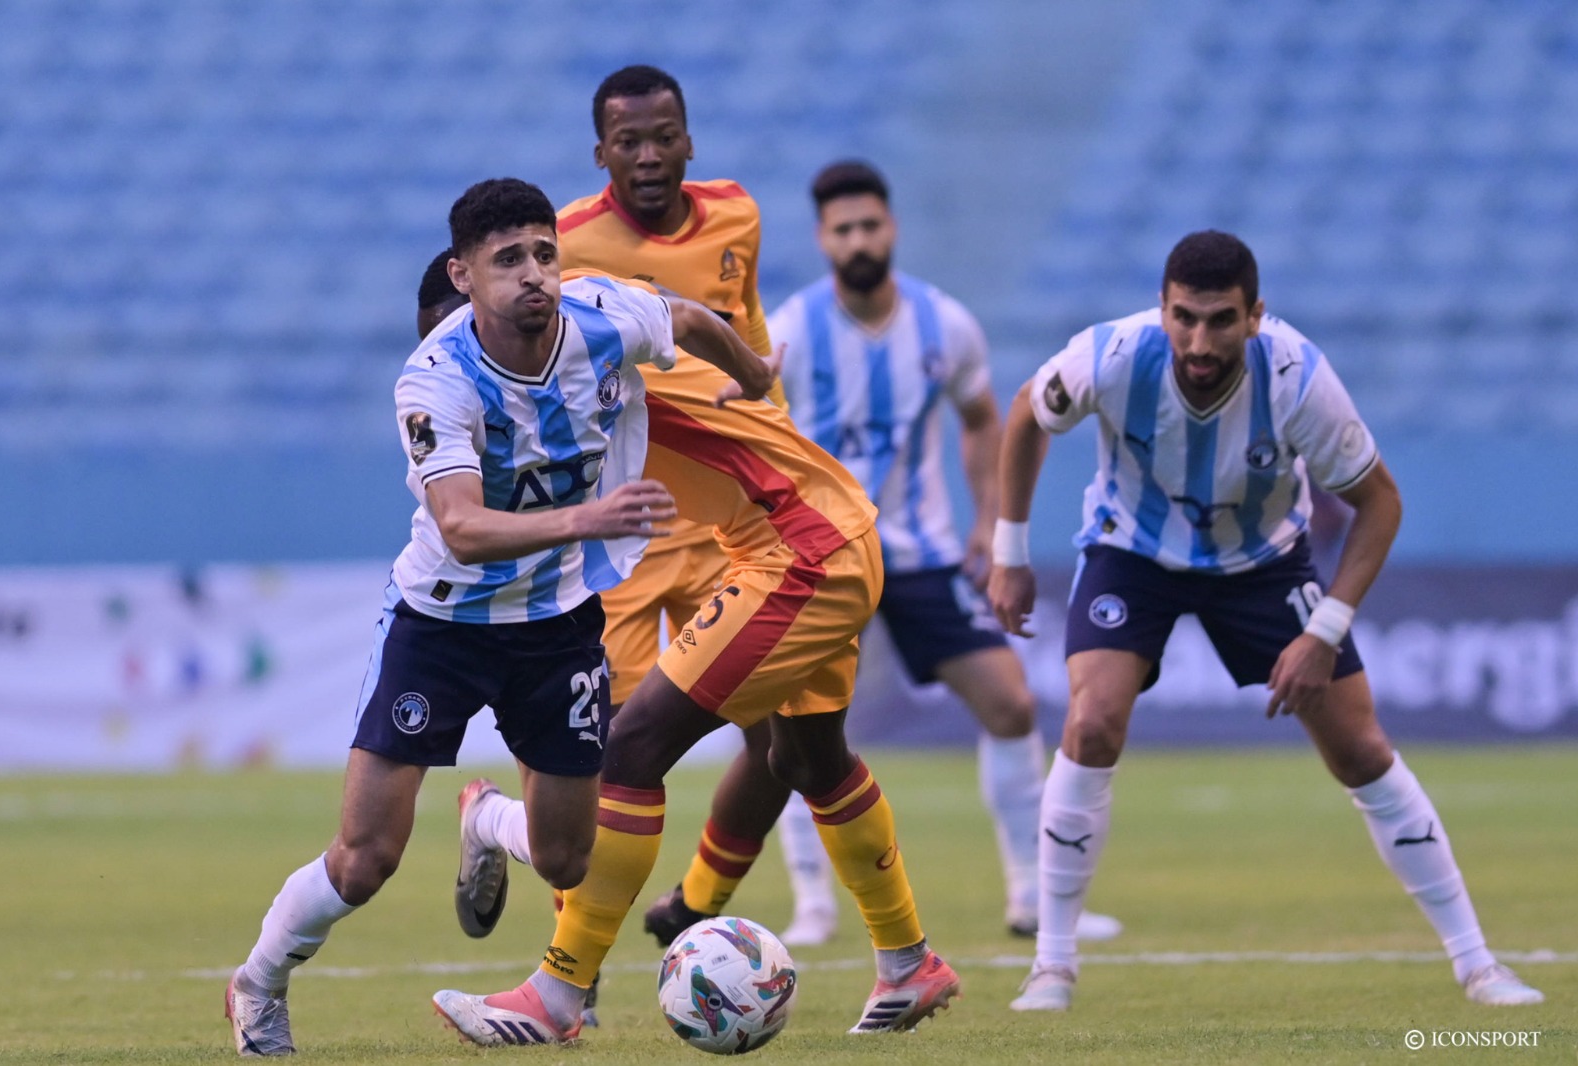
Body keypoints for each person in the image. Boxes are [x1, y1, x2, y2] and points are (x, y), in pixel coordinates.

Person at [223, 177, 777, 1057]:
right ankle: (258, 983)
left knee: (566, 860)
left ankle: (484, 819)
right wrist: (588, 518)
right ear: (465, 274)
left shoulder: (604, 317)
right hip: (440, 625)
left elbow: (691, 320)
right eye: (508, 259)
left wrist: (754, 376)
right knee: (366, 858)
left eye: (544, 254)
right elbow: (463, 527)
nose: (534, 275)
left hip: (557, 622)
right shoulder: (435, 380)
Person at [988, 229, 1544, 1012]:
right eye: (1184, 318)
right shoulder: (1110, 356)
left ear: (1255, 316)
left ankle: (1478, 964)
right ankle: (1052, 965)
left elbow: (1380, 503)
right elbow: (1025, 413)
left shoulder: (1298, 380)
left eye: (1221, 320)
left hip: (1263, 564)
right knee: (1092, 722)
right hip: (1132, 552)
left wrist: (1324, 632)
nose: (1199, 341)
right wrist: (1009, 553)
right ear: (1162, 308)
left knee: (1360, 749)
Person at [430, 274, 962, 1046]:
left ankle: (557, 997)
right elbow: (684, 320)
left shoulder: (572, 349)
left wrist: (751, 371)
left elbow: (679, 319)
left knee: (631, 750)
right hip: (813, 532)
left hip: (801, 551)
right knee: (809, 760)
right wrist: (751, 370)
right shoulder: (570, 334)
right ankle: (908, 962)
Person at [662, 159, 1118, 946]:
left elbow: (981, 418)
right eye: (843, 230)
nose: (859, 241)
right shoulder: (794, 329)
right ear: (823, 239)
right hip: (816, 553)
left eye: (870, 225)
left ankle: (1029, 895)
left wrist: (986, 523)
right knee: (794, 732)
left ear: (892, 227)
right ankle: (813, 905)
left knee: (1010, 704)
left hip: (918, 555)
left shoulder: (946, 325)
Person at [551, 64, 805, 957]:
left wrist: (774, 428)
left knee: (785, 740)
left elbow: (748, 334)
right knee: (602, 753)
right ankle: (572, 962)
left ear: (689, 140)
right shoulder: (565, 243)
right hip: (620, 529)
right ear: (601, 153)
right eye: (630, 142)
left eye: (665, 137)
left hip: (730, 530)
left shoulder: (737, 213)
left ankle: (696, 901)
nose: (650, 156)